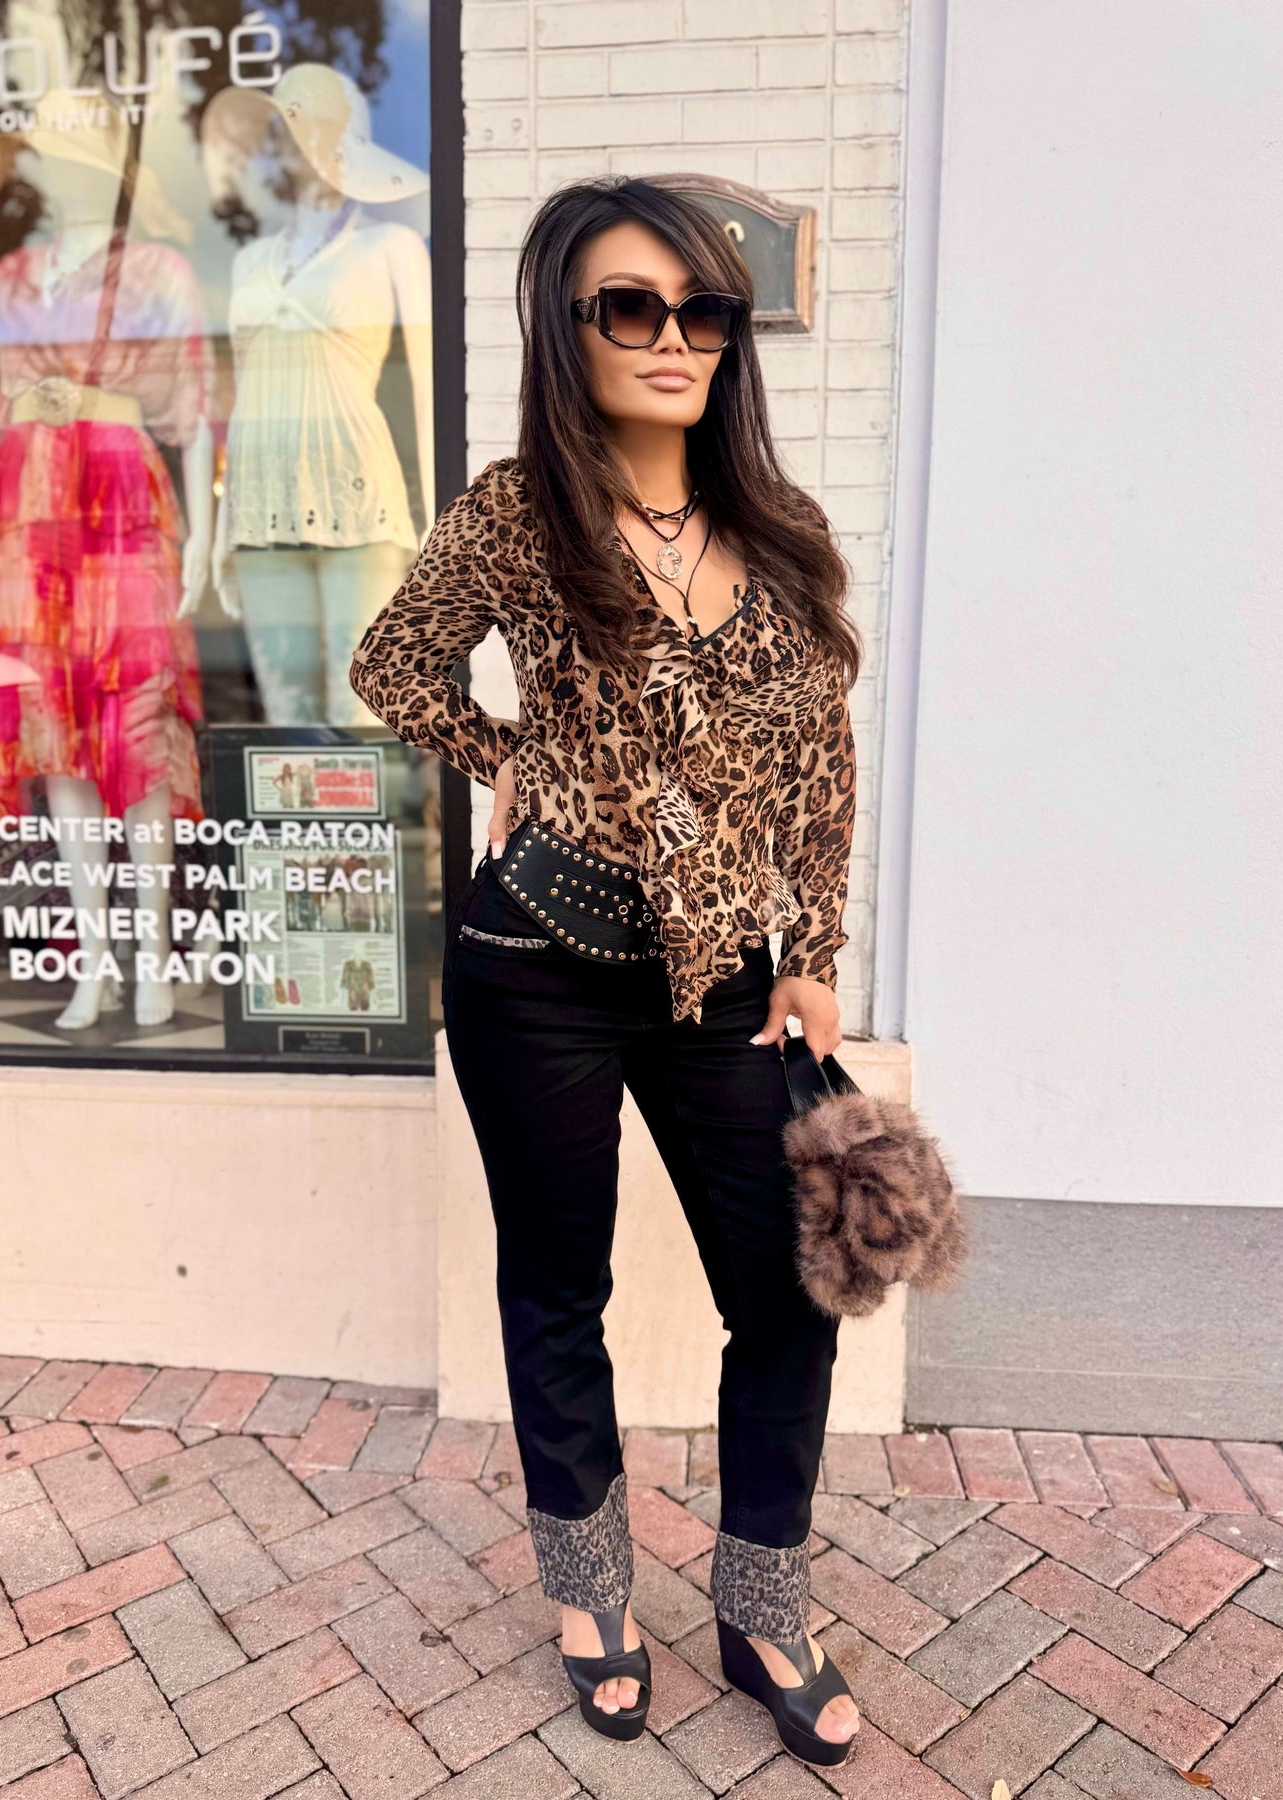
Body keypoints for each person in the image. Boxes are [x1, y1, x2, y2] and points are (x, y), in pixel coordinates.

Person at [350, 177, 862, 1767]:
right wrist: (503, 754)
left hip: (724, 989)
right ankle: (588, 1595)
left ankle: (761, 1604)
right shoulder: (517, 515)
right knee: (556, 1287)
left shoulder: (778, 528)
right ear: (566, 332)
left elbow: (820, 759)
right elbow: (391, 664)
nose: (672, 336)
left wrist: (814, 950)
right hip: (537, 966)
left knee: (790, 1292)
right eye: (629, 306)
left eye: (701, 308)